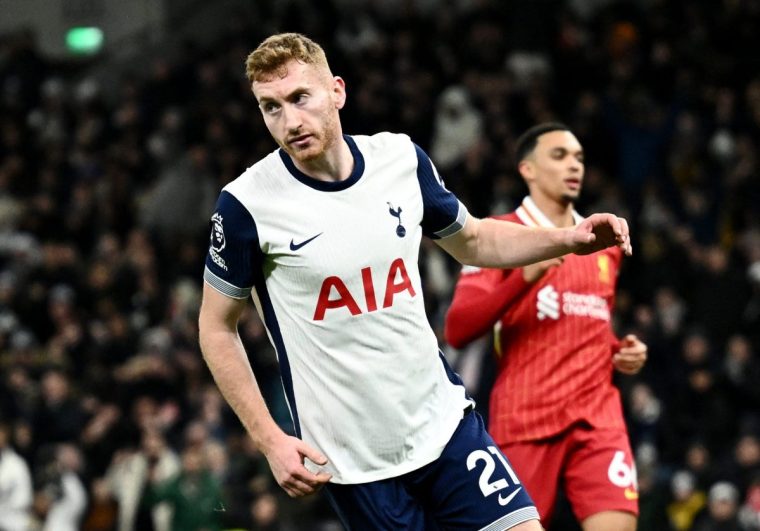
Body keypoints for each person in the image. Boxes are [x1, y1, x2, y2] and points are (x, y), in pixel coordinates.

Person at [198, 33, 632, 531]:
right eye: (270, 107)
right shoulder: (246, 206)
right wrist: (269, 439)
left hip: (445, 426)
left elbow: (474, 242)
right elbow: (215, 328)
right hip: (356, 464)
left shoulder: (400, 160)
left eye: (301, 98)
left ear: (337, 91)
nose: (290, 121)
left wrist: (568, 238)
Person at [444, 122, 647, 531]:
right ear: (527, 170)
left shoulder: (601, 240)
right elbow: (457, 329)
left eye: (579, 158)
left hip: (597, 417)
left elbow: (588, 318)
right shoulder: (494, 235)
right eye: (559, 156)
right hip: (526, 418)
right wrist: (524, 276)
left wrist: (619, 349)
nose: (574, 166)